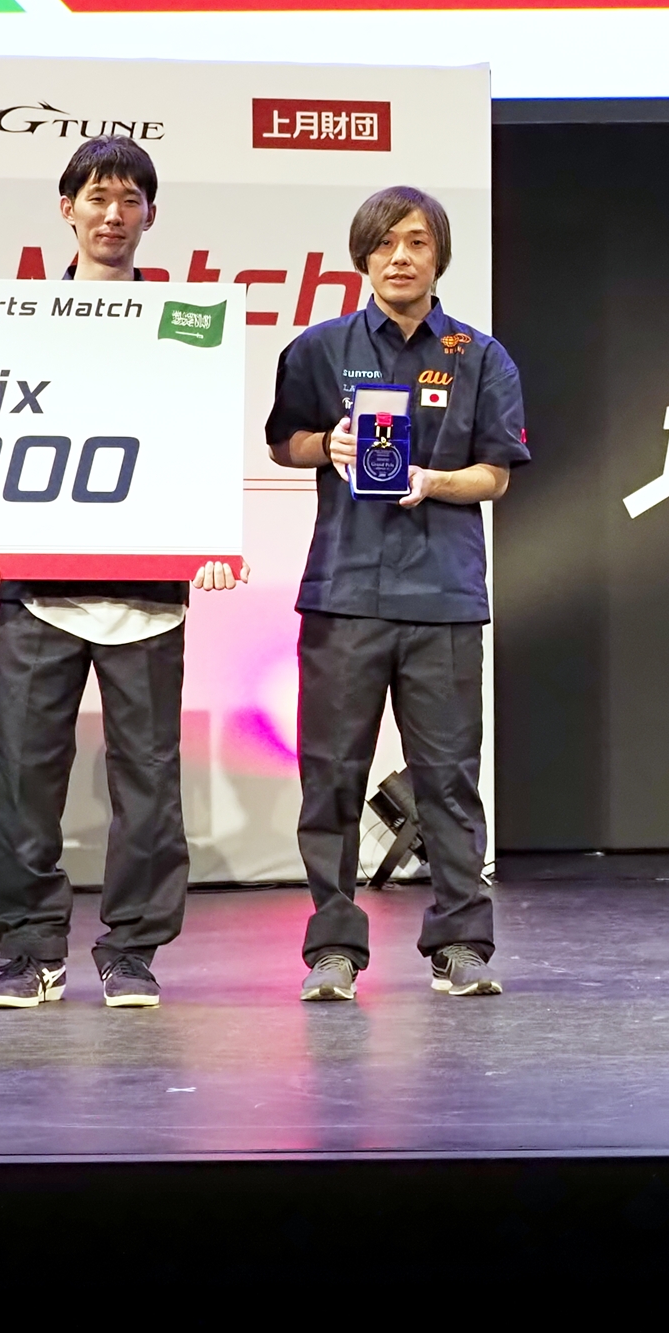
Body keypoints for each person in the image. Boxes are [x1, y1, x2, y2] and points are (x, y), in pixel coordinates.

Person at [0, 135, 241, 1010]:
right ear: (66, 210)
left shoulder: (187, 324)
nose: (112, 215)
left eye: (129, 200)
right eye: (96, 198)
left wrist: (211, 540)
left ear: (151, 215)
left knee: (149, 787)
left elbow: (199, 444)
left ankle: (131, 951)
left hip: (147, 599)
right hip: (38, 593)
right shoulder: (24, 320)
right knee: (24, 779)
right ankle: (30, 950)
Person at [265, 187, 529, 1003]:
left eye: (416, 241)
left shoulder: (480, 355)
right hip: (343, 593)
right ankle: (334, 949)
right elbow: (283, 442)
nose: (401, 257)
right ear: (364, 257)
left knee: (447, 779)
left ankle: (461, 943)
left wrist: (434, 480)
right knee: (331, 778)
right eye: (385, 244)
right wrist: (329, 443)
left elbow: (497, 475)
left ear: (438, 255)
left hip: (443, 595)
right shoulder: (319, 349)